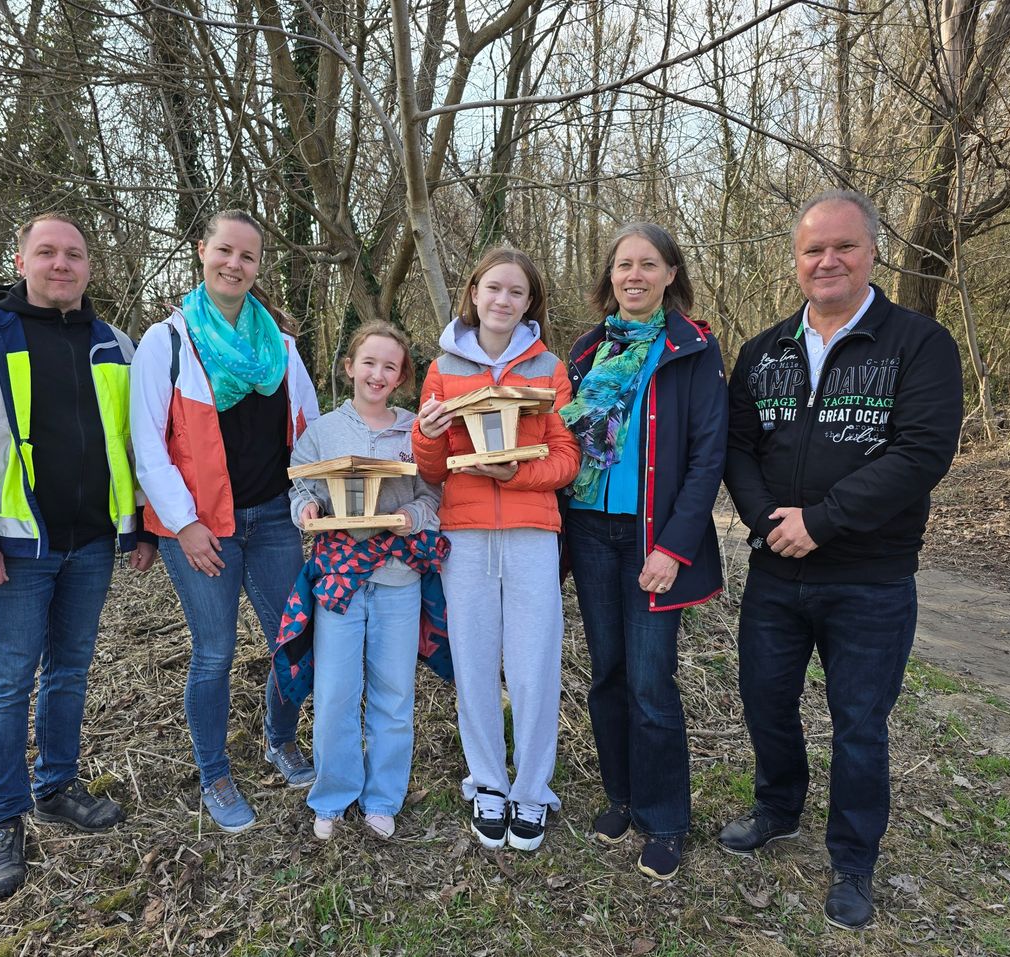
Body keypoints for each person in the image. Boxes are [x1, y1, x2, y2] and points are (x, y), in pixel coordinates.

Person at [722, 189, 963, 930]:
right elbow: (736, 447)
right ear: (796, 262)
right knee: (765, 700)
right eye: (813, 250)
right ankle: (777, 807)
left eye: (844, 247)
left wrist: (822, 522)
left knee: (860, 723)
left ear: (872, 252)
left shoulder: (919, 344)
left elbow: (921, 453)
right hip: (776, 573)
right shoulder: (764, 351)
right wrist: (769, 521)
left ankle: (853, 859)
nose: (827, 260)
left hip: (870, 578)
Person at [0, 213, 156, 900]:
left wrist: (137, 526)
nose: (62, 264)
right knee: (7, 682)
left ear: (89, 267)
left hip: (90, 545)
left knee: (70, 672)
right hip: (12, 550)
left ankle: (57, 786)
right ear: (20, 260)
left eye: (74, 254)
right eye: (47, 252)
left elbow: (136, 442)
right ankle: (3, 818)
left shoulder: (115, 343)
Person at [130, 209, 320, 833]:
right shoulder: (169, 342)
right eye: (224, 251)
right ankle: (214, 772)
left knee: (292, 643)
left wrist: (314, 503)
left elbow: (310, 435)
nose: (234, 264)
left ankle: (278, 736)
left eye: (247, 257)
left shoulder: (283, 348)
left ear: (258, 267)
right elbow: (149, 445)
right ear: (201, 252)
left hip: (274, 519)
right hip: (202, 527)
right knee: (213, 653)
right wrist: (184, 524)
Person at [561, 223, 728, 880]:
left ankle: (665, 819)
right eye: (623, 264)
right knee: (607, 674)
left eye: (647, 264)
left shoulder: (692, 349)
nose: (634, 275)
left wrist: (673, 547)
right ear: (610, 277)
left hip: (651, 536)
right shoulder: (585, 352)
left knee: (652, 681)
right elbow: (564, 445)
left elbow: (708, 456)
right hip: (590, 531)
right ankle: (621, 796)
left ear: (669, 274)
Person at [413, 247, 580, 852]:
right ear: (474, 293)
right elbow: (431, 470)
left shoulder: (550, 369)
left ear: (529, 302)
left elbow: (566, 459)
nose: (503, 300)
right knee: (476, 664)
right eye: (493, 289)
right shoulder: (441, 368)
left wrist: (517, 477)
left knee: (535, 665)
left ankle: (531, 791)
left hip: (534, 534)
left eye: (516, 292)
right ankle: (487, 782)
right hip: (465, 533)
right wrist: (424, 434)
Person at [283, 322, 443, 841]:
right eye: (369, 362)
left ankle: (382, 798)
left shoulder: (416, 430)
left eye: (390, 366)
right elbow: (301, 488)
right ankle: (332, 796)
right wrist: (305, 508)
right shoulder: (323, 432)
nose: (378, 374)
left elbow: (433, 496)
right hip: (340, 581)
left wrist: (411, 520)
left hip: (398, 578)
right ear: (350, 367)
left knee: (394, 693)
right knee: (334, 692)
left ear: (401, 377)